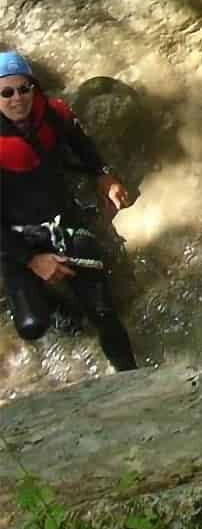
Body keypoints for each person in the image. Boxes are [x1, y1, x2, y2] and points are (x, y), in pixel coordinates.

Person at [0, 51, 138, 371]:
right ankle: (68, 317)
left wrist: (104, 176)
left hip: (64, 222)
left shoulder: (53, 114)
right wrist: (33, 260)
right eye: (6, 93)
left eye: (24, 89)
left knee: (104, 311)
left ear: (34, 88)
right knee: (33, 324)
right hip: (17, 238)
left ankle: (131, 376)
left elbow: (82, 145)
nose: (17, 98)